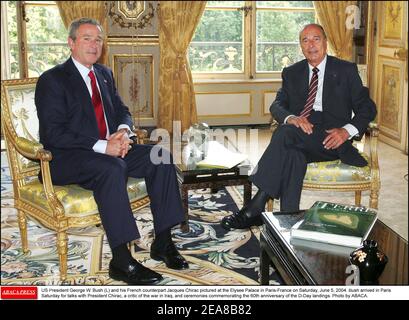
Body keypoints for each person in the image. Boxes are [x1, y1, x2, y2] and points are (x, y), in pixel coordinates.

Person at [35, 17, 188, 285]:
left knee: (161, 156)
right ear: (71, 43)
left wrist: (122, 131)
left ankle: (163, 241)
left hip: (109, 148)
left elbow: (122, 111)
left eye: (98, 39)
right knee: (112, 167)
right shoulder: (52, 80)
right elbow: (53, 133)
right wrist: (103, 146)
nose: (94, 45)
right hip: (69, 158)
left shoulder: (103, 74)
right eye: (86, 39)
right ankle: (121, 260)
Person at [221, 23, 377, 230]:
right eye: (305, 40)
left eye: (316, 39)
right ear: (300, 46)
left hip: (331, 140)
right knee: (292, 154)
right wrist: (292, 117)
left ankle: (255, 207)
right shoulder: (292, 72)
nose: (311, 45)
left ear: (325, 43)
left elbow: (368, 107)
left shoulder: (345, 70)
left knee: (285, 134)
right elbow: (277, 105)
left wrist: (346, 130)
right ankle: (287, 220)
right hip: (300, 135)